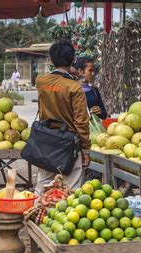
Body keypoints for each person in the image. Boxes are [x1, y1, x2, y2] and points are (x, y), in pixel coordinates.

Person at [34, 40, 91, 195]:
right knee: (71, 190)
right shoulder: (74, 87)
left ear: (51, 60)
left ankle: (35, 214)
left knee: (43, 184)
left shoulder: (41, 81)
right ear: (72, 61)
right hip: (68, 144)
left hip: (45, 140)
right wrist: (85, 150)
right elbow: (81, 121)